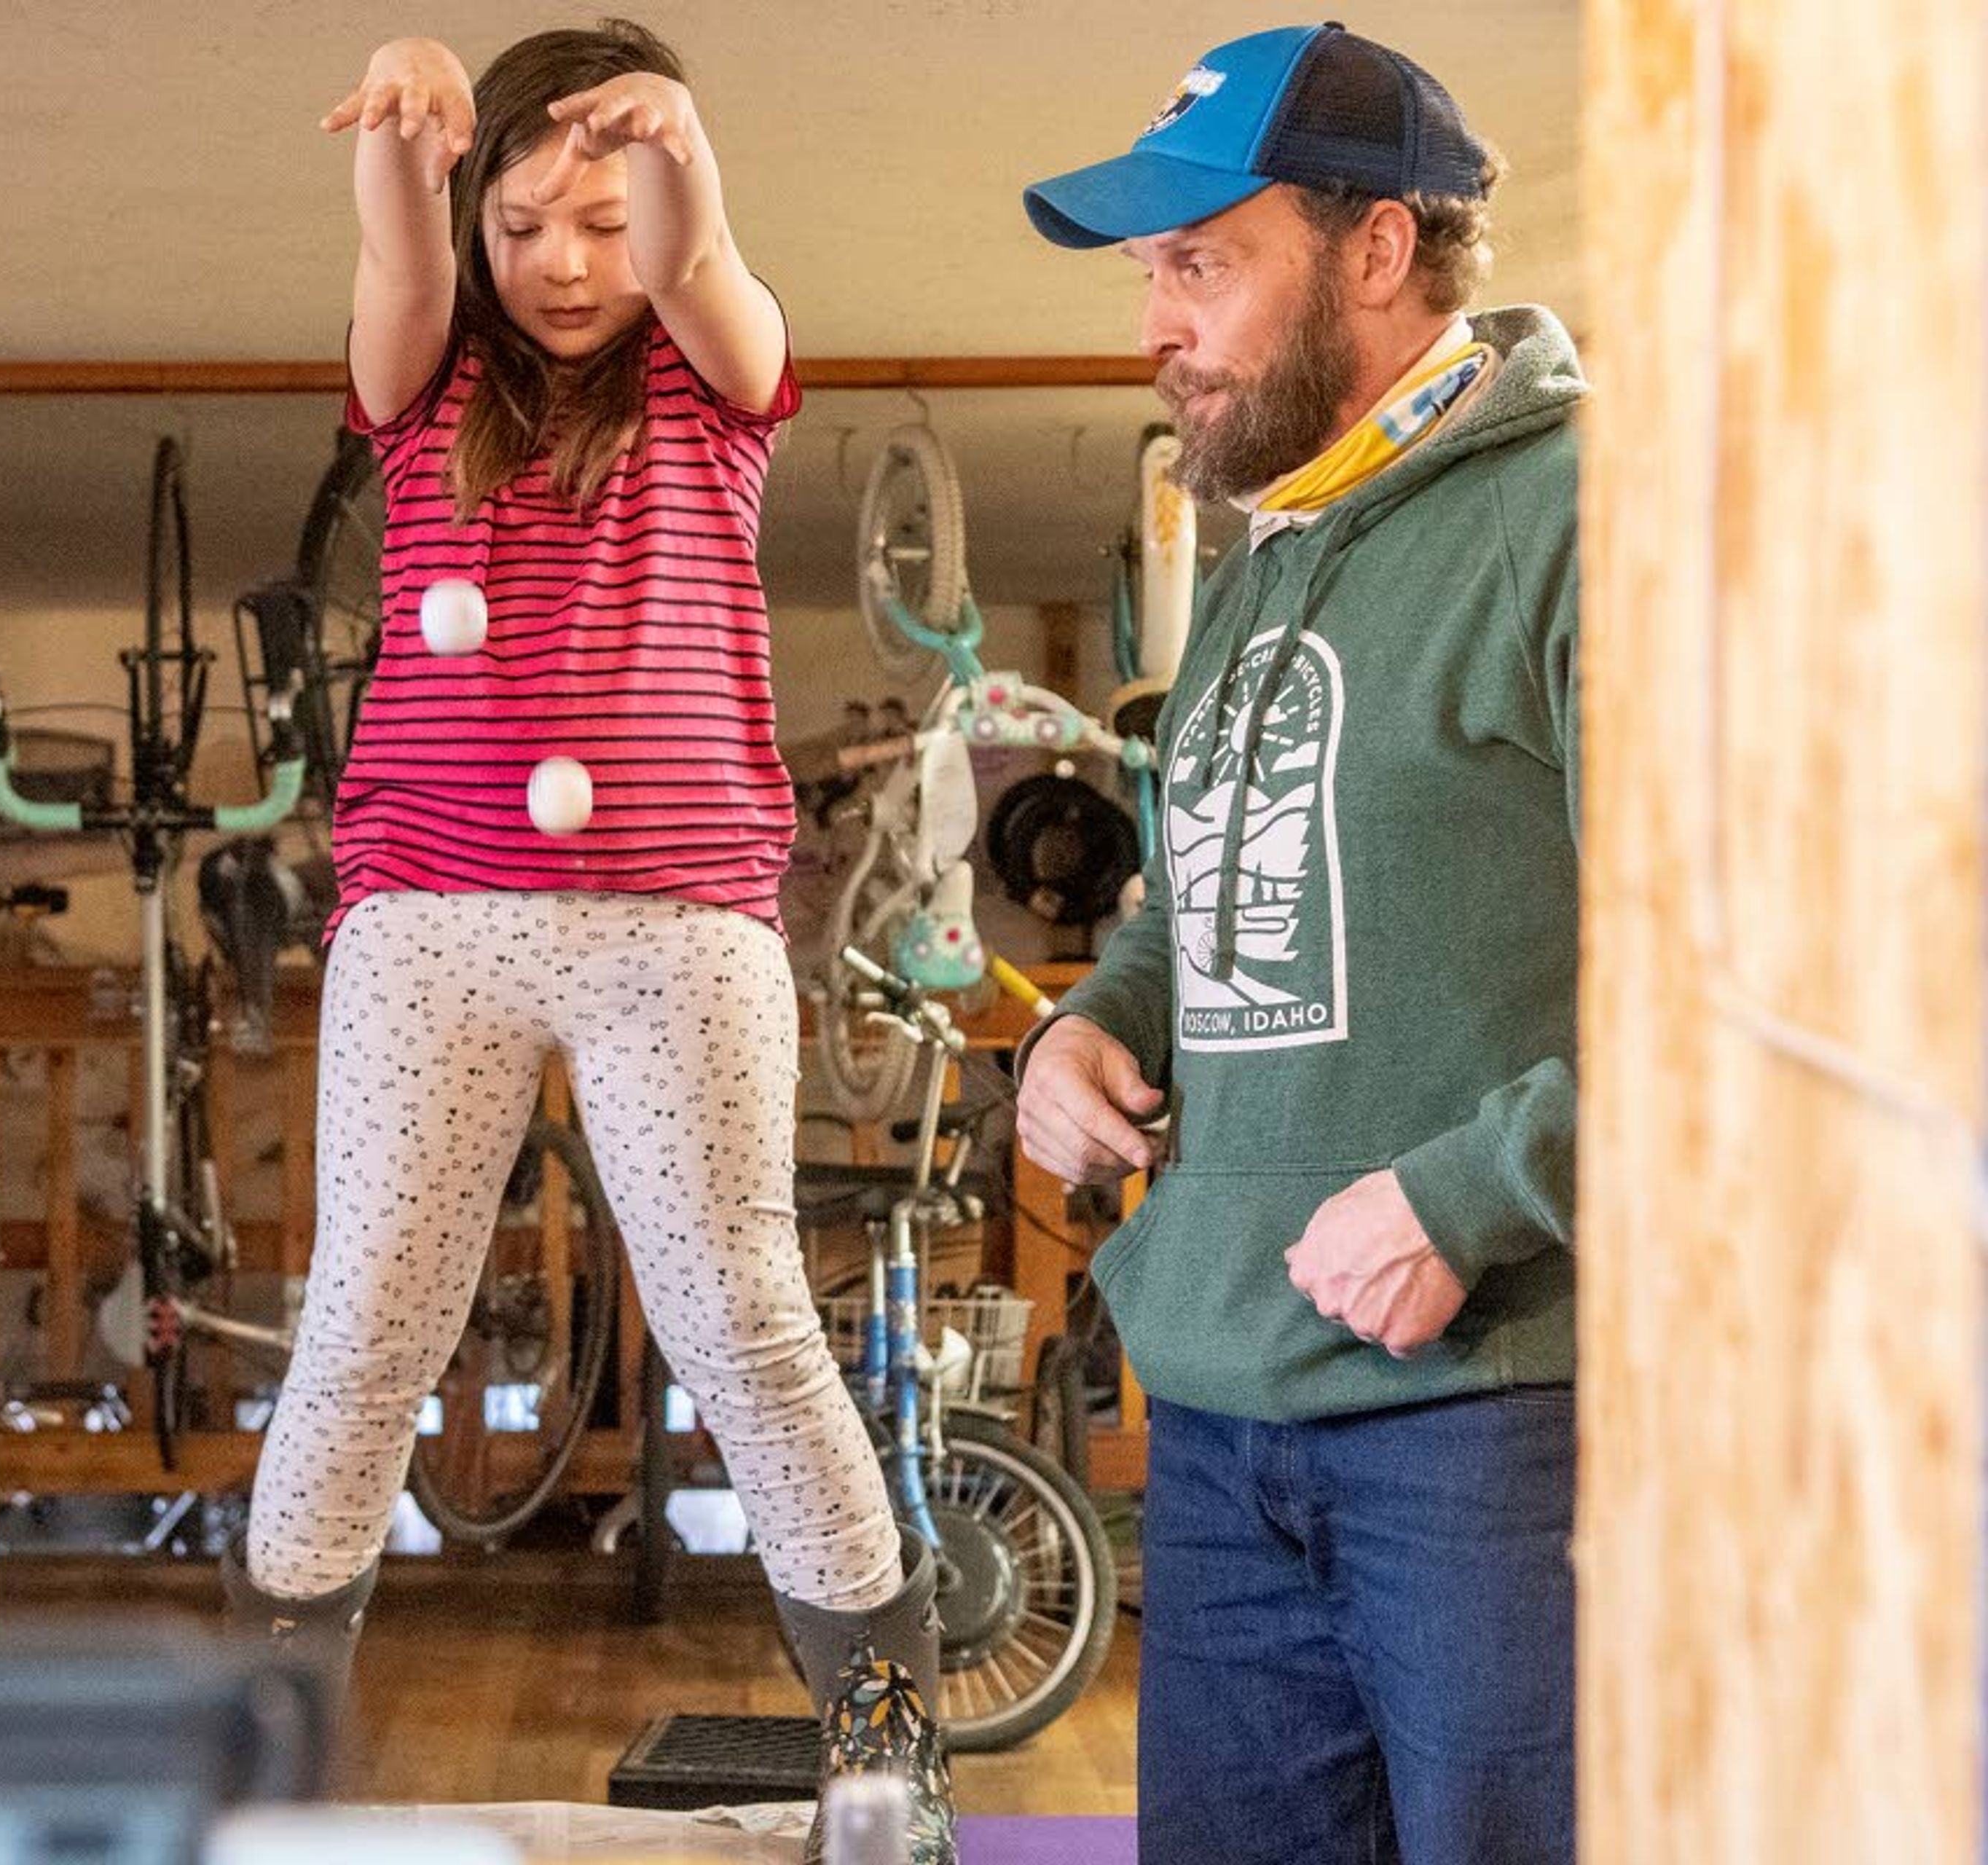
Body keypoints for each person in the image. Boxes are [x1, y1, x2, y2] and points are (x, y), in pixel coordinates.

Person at [225, 22, 954, 1858]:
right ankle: (259, 1752)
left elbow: (710, 267)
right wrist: (402, 121)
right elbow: (399, 254)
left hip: (680, 919)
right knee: (370, 1325)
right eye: (528, 222)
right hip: (431, 921)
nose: (565, 262)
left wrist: (686, 172)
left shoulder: (718, 380)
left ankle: (888, 1756)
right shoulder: (421, 378)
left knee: (743, 1324)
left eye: (602, 221)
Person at [1014, 24, 1583, 1864]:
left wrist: (1480, 1192)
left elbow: (1754, 963)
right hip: (1223, 1406)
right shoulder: (1267, 563)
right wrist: (1092, 1023)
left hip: (1494, 1421)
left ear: (1377, 252)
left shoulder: (1584, 518)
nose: (1156, 324)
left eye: (1201, 263)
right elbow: (1194, 904)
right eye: (1149, 275)